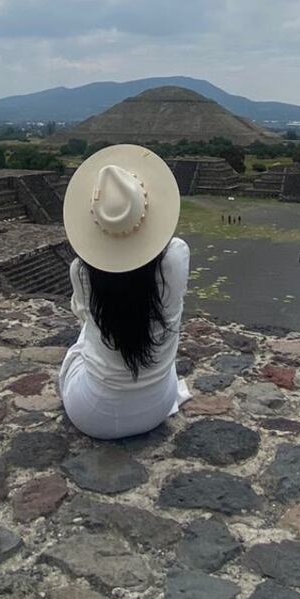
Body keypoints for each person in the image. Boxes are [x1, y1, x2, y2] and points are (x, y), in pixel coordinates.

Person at [58, 145, 191, 440]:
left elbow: (85, 323)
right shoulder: (175, 257)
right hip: (157, 405)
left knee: (87, 335)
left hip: (91, 414)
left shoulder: (81, 271)